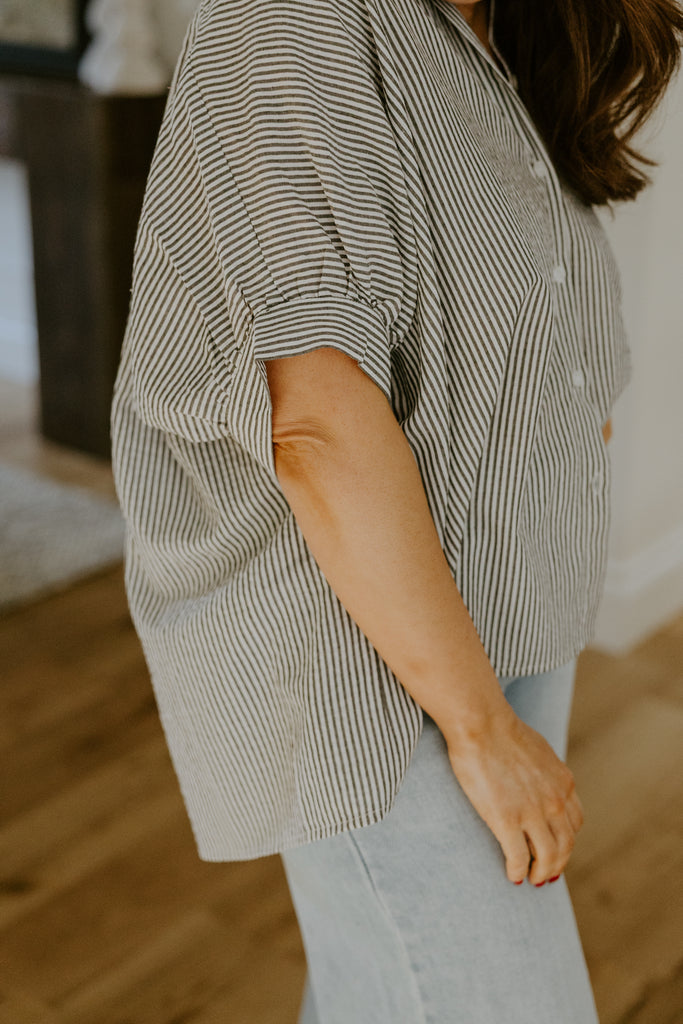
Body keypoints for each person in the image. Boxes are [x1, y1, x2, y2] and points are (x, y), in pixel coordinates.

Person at [110, 0, 683, 1020]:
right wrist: (477, 726)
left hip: (490, 599)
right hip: (356, 643)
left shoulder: (483, 26)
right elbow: (317, 423)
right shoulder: (291, 21)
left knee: (384, 987)